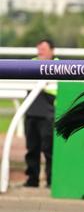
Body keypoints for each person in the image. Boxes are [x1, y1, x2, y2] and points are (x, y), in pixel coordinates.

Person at [23, 39, 57, 188]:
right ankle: (32, 180)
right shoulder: (31, 63)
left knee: (49, 150)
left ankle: (51, 181)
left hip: (48, 115)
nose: (40, 53)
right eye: (39, 50)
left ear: (52, 51)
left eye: (43, 49)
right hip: (31, 113)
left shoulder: (60, 65)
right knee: (32, 149)